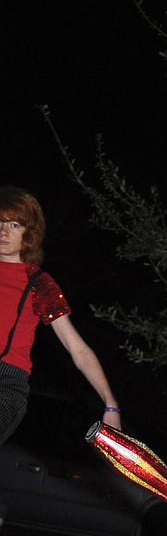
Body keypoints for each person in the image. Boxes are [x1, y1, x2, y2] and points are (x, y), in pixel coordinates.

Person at [0, 186, 121, 447]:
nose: (4, 232)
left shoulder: (38, 283)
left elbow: (76, 348)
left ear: (29, 235)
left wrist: (110, 405)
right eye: (0, 223)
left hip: (6, 385)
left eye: (14, 225)